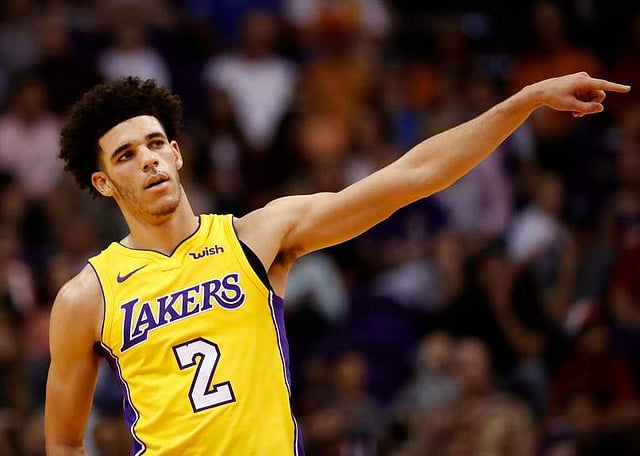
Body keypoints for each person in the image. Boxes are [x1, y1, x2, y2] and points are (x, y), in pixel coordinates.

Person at [44, 72, 629, 455]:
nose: (147, 160)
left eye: (154, 144)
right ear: (104, 182)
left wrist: (524, 101)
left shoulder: (257, 236)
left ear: (176, 153)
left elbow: (414, 175)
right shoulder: (87, 296)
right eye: (126, 155)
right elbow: (64, 443)